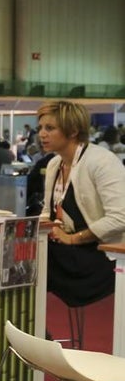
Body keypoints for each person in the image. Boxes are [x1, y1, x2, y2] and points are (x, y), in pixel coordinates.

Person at [37, 100, 125, 306]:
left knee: (33, 261)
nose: (42, 134)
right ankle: (29, 326)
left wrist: (73, 239)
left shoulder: (101, 161)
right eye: (40, 127)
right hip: (67, 253)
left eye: (50, 128)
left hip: (103, 257)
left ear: (73, 130)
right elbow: (47, 212)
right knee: (24, 252)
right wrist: (36, 230)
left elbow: (121, 217)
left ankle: (30, 329)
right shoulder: (54, 164)